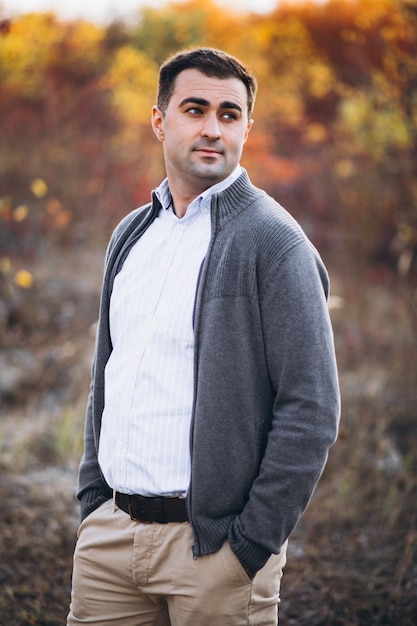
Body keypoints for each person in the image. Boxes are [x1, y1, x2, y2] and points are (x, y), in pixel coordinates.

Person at [67, 47, 340, 626]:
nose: (213, 128)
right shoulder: (131, 235)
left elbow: (311, 409)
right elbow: (109, 376)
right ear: (160, 121)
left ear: (246, 127)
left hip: (214, 554)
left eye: (229, 113)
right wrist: (94, 499)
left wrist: (249, 544)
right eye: (195, 109)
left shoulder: (275, 244)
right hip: (110, 543)